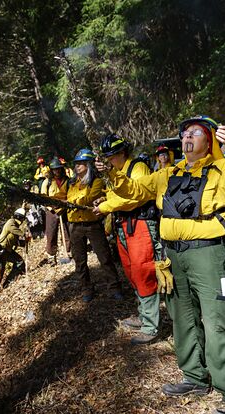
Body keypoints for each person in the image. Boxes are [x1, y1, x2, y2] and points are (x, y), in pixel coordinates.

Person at [95, 115, 225, 414]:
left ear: (209, 139)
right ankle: (194, 377)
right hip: (174, 258)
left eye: (194, 132)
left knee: (219, 323)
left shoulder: (223, 168)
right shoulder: (167, 174)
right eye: (183, 132)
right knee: (182, 322)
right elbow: (133, 192)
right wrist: (113, 176)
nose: (186, 136)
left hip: (211, 256)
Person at [93, 134, 161, 345]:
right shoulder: (117, 172)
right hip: (123, 225)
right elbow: (118, 195)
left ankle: (151, 326)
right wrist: (105, 199)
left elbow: (134, 197)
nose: (109, 161)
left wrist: (105, 207)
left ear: (122, 153)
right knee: (132, 272)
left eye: (111, 157)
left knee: (144, 272)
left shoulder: (138, 167)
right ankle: (144, 315)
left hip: (140, 223)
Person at [63, 148, 123, 302]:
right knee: (80, 261)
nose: (78, 166)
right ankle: (86, 289)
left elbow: (88, 198)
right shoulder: (71, 183)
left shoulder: (96, 182)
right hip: (75, 225)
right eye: (76, 163)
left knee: (104, 257)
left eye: (81, 163)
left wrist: (70, 203)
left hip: (92, 225)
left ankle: (115, 288)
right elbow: (66, 198)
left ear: (89, 165)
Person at [0, 208, 31, 298]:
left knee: (19, 262)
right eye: (22, 218)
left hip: (7, 251)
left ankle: (8, 283)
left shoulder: (15, 226)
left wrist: (24, 241)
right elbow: (14, 230)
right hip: (1, 251)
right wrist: (24, 234)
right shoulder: (11, 222)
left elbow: (14, 240)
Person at [40, 158, 71, 264]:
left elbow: (70, 194)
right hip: (51, 211)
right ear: (51, 170)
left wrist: (64, 205)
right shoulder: (47, 182)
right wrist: (51, 207)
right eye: (54, 169)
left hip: (65, 209)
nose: (56, 171)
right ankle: (51, 255)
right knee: (51, 232)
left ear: (61, 169)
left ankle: (68, 251)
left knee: (67, 232)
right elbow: (43, 197)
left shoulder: (67, 181)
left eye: (58, 169)